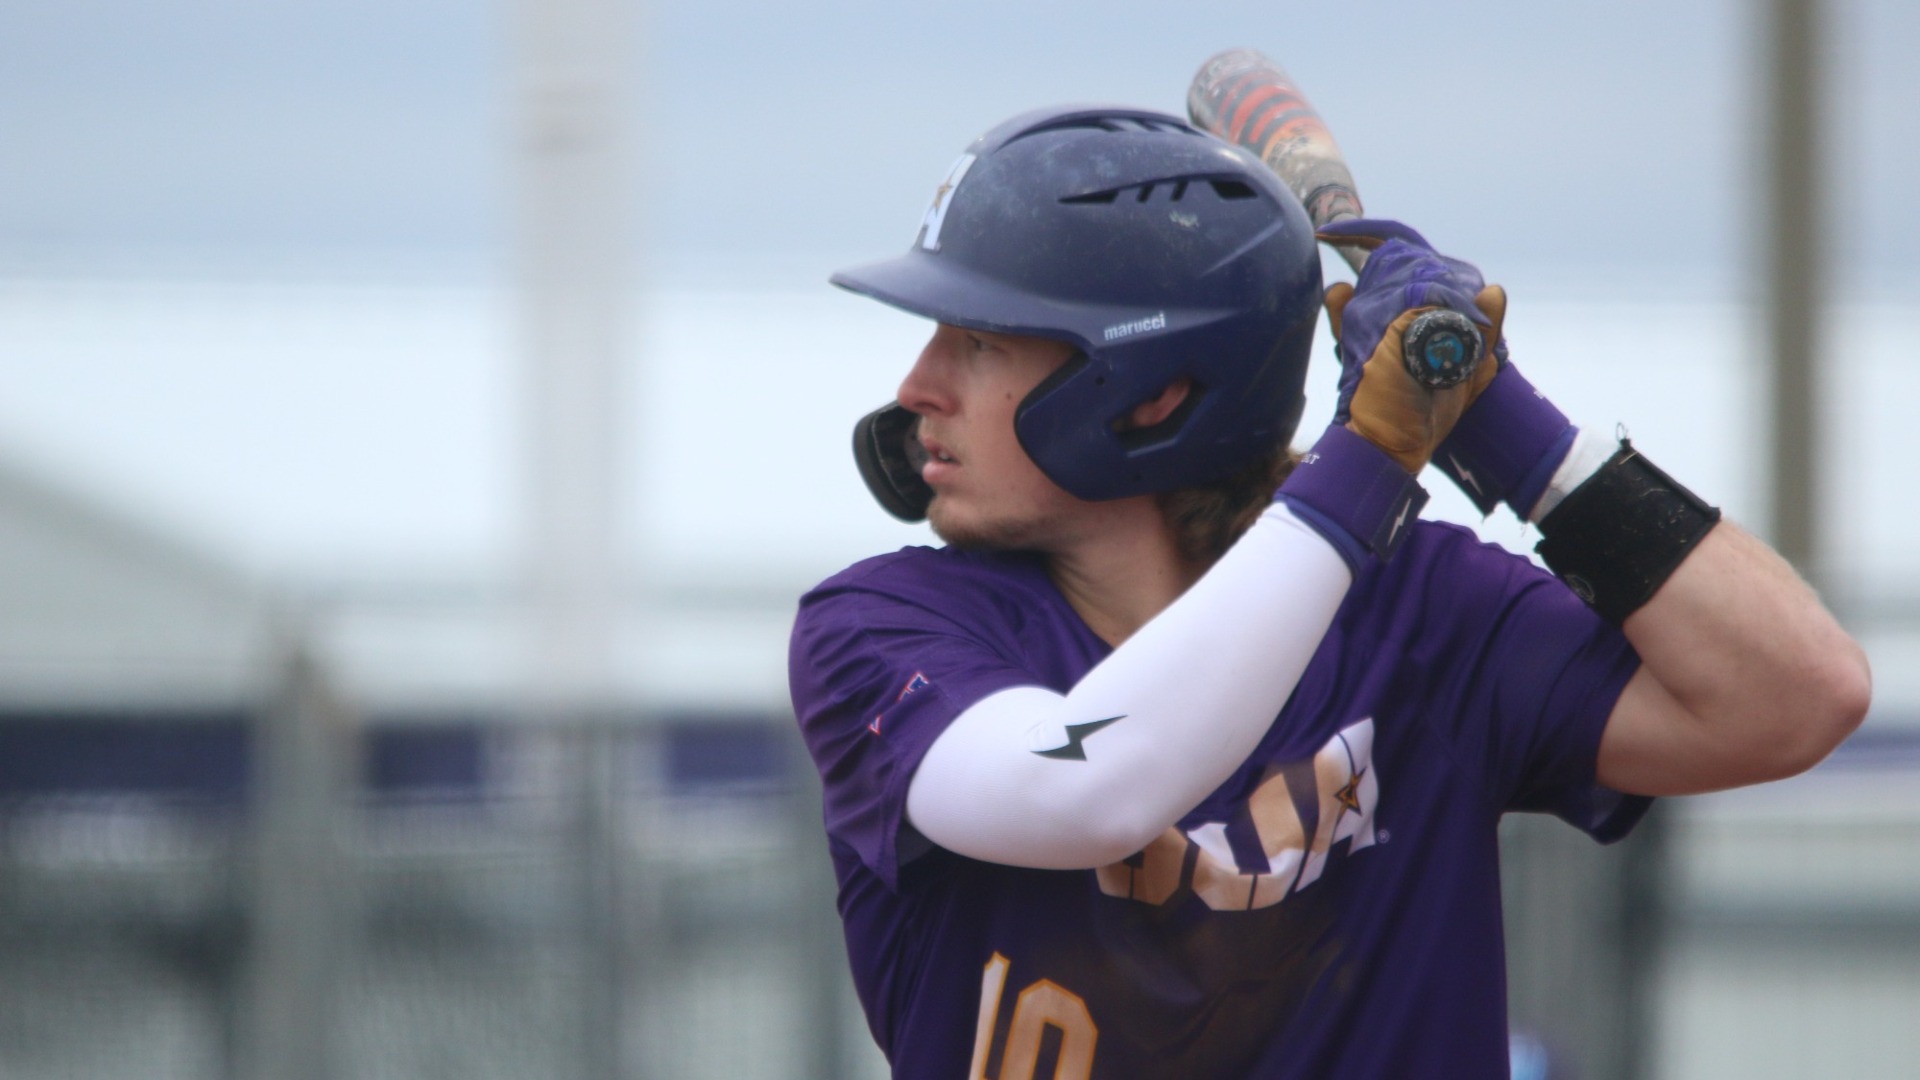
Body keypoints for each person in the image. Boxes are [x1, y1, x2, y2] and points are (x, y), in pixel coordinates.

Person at [787, 104, 1869, 1079]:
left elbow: (1799, 695)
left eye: (976, 342)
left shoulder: (1421, 611)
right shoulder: (884, 628)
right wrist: (1382, 448)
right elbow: (1090, 784)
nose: (917, 387)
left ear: (1154, 395)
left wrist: (1503, 422)